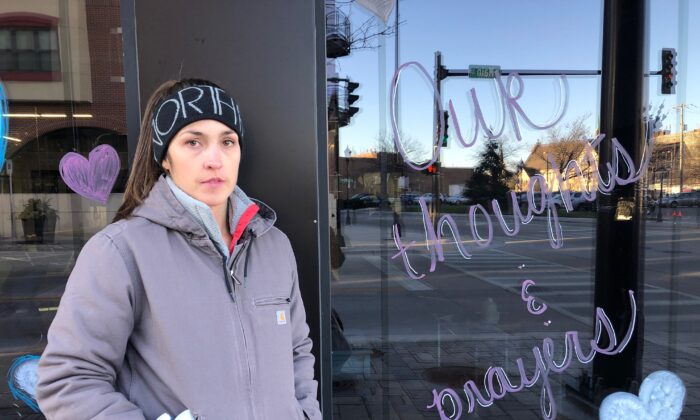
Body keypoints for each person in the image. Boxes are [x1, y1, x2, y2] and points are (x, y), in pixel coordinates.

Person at [36, 78, 321, 419]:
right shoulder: (119, 252)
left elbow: (297, 350)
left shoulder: (273, 245)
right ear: (165, 158)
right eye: (193, 142)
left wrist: (305, 413)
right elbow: (69, 382)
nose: (215, 159)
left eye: (227, 141)